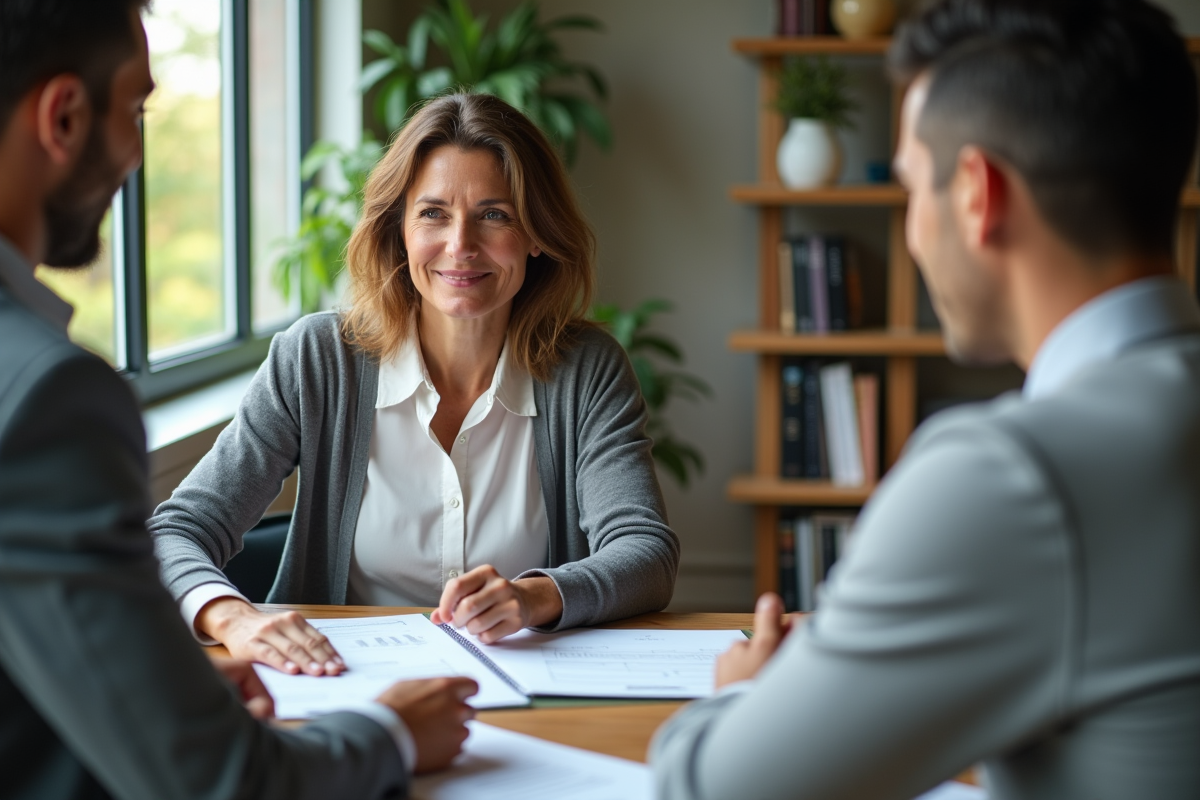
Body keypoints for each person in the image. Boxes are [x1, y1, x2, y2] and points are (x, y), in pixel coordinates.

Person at [651, 0, 1200, 798]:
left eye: (912, 187)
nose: (912, 232)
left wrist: (745, 693)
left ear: (976, 193)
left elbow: (709, 791)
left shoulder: (1013, 477)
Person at [0, 2, 478, 798]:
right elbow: (222, 783)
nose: (136, 154)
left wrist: (163, 698)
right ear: (65, 116)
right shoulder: (47, 396)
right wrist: (392, 732)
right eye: (136, 113)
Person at [148, 91, 679, 677]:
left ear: (536, 233)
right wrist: (232, 618)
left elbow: (645, 553)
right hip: (338, 685)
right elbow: (178, 530)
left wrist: (533, 596)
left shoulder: (587, 369)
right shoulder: (317, 360)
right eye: (432, 213)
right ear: (397, 229)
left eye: (494, 215)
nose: (460, 245)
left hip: (526, 686)